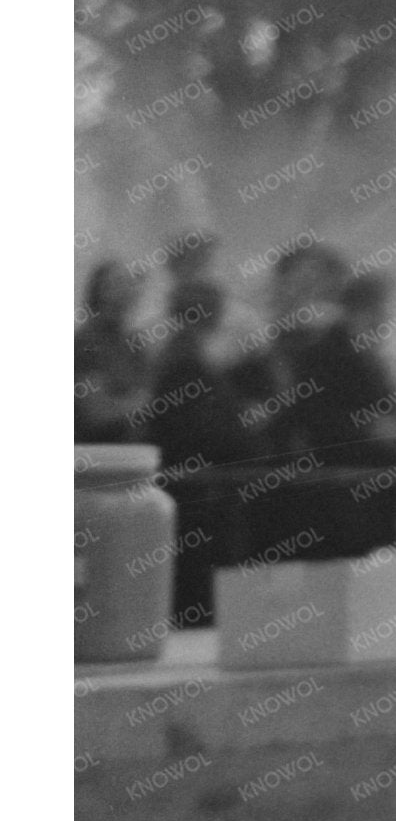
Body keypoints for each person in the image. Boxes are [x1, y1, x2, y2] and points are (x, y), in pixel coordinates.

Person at [240, 238, 396, 567]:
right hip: (289, 502)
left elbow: (371, 417)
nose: (304, 295)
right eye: (297, 283)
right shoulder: (260, 352)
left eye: (317, 285)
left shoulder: (345, 349)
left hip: (345, 501)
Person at [145, 263, 257, 627]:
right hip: (197, 496)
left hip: (198, 493)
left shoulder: (184, 358)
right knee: (196, 587)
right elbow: (202, 430)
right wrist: (244, 431)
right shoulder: (185, 363)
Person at [77, 259, 154, 444]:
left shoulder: (135, 345)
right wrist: (147, 402)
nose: (127, 291)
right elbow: (96, 412)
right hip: (97, 454)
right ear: (99, 292)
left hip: (134, 450)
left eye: (131, 284)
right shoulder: (85, 343)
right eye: (117, 284)